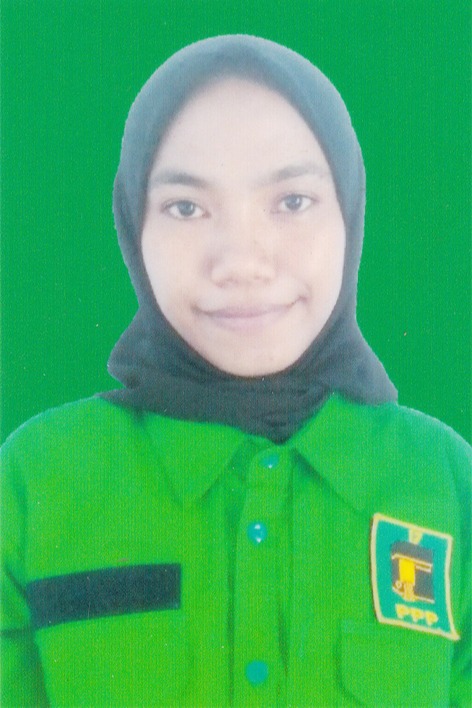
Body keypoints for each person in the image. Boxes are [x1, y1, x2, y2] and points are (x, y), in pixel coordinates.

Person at [1, 35, 470, 707]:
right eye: (186, 208)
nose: (242, 262)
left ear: (349, 212)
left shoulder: (445, 480)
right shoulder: (34, 480)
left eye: (293, 201)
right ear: (134, 225)